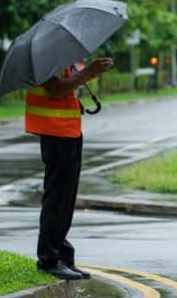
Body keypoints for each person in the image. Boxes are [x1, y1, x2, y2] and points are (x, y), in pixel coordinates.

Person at [25, 57, 114, 280]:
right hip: (55, 132)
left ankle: (62, 255)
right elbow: (55, 90)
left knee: (66, 198)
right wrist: (89, 71)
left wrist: (86, 79)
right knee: (57, 198)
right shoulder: (46, 59)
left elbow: (65, 90)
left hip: (68, 131)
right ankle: (48, 260)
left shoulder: (63, 59)